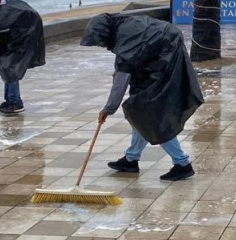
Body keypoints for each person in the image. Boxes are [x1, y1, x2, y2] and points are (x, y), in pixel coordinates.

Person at [81, 13, 204, 182]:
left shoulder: (125, 37)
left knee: (152, 115)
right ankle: (131, 159)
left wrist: (108, 109)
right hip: (164, 52)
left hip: (164, 58)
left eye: (101, 42)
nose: (102, 45)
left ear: (105, 33)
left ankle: (182, 164)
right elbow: (127, 62)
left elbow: (121, 79)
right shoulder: (124, 26)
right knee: (140, 111)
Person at [0, 0, 45, 115]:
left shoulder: (6, 14)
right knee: (6, 69)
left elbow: (2, 41)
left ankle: (16, 102)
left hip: (20, 41)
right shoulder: (2, 4)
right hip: (9, 39)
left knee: (11, 70)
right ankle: (9, 100)